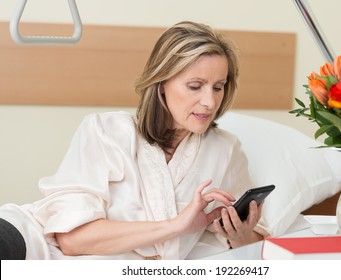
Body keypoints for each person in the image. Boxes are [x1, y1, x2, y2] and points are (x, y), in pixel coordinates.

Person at [0, 21, 265, 260]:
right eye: (195, 86)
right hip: (39, 248)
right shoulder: (106, 132)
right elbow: (71, 240)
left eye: (218, 87)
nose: (209, 102)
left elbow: (257, 245)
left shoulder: (225, 150)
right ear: (161, 83)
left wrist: (240, 235)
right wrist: (177, 224)